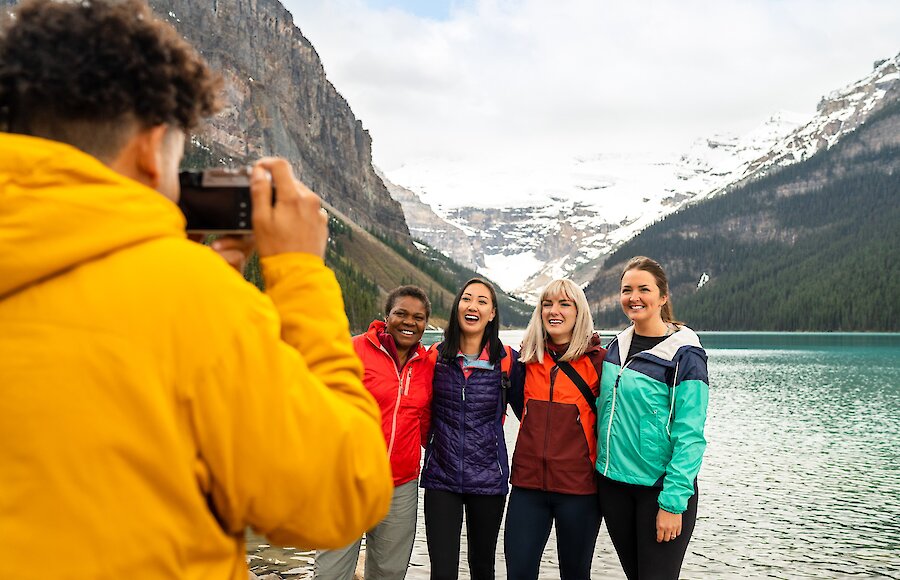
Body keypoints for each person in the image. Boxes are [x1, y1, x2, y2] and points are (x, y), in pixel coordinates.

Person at [0, 1, 393, 579]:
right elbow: (340, 494)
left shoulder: (194, 296)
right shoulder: (193, 303)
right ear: (148, 146)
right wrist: (301, 276)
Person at [596, 256, 709, 580]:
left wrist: (673, 503)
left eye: (644, 289)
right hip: (614, 487)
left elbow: (690, 435)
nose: (634, 297)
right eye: (626, 290)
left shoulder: (685, 354)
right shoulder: (616, 347)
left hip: (658, 491)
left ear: (662, 297)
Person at [315, 286, 435, 580]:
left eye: (418, 318)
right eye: (401, 313)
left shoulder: (428, 364)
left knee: (389, 572)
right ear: (386, 316)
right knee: (330, 572)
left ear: (425, 325)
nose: (410, 322)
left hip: (400, 484)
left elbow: (426, 420)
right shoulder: (354, 350)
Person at [505, 279, 606, 580]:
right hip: (527, 487)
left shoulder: (600, 362)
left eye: (564, 304)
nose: (554, 311)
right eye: (547, 304)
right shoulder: (525, 360)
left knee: (575, 575)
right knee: (518, 574)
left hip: (579, 491)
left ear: (580, 312)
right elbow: (521, 411)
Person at [420, 278, 520, 580]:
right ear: (457, 306)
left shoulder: (508, 361)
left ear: (492, 313)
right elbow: (419, 409)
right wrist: (434, 445)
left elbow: (532, 413)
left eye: (482, 301)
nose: (472, 305)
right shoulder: (435, 356)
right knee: (442, 571)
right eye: (466, 298)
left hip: (489, 478)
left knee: (482, 567)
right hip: (441, 478)